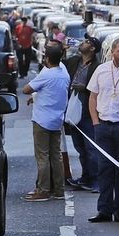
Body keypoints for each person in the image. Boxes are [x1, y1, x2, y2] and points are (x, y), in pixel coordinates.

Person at [87, 38, 119, 223]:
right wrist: (95, 122)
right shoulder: (101, 70)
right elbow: (93, 97)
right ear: (112, 52)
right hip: (103, 125)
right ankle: (104, 210)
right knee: (104, 169)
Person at [22, 44, 70, 202]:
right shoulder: (64, 72)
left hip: (42, 120)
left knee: (42, 156)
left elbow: (26, 89)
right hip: (57, 119)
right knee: (56, 156)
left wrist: (34, 92)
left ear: (47, 59)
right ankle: (59, 189)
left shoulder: (47, 74)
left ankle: (43, 190)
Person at [64, 37, 102, 191]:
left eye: (87, 42)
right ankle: (85, 177)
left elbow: (99, 88)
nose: (83, 43)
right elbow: (56, 64)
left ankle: (96, 180)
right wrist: (62, 50)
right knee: (80, 147)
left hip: (88, 111)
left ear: (92, 48)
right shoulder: (75, 61)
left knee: (91, 148)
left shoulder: (97, 67)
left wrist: (84, 88)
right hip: (73, 110)